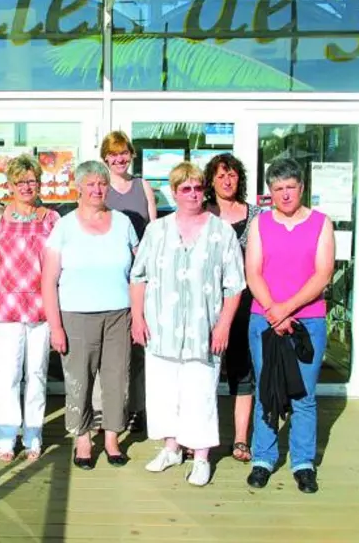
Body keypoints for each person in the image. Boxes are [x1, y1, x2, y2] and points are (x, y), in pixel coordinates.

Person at [130, 161, 245, 487]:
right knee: (164, 392)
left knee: (200, 393)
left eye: (197, 188)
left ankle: (201, 456)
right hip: (161, 328)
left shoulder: (221, 232)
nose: (193, 194)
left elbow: (234, 285)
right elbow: (138, 277)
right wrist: (137, 317)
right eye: (185, 189)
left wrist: (223, 325)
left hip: (203, 330)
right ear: (175, 192)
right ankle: (171, 448)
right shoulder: (156, 230)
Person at [245, 158, 335, 494]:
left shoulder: (321, 224)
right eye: (278, 189)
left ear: (301, 188)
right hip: (265, 320)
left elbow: (322, 273)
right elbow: (252, 271)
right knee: (267, 389)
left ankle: (303, 463)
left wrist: (287, 310)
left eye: (291, 187)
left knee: (304, 395)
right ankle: (263, 459)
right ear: (270, 192)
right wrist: (273, 311)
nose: (285, 194)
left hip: (307, 321)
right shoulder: (260, 224)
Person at [42, 160, 138, 470]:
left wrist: (139, 314)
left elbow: (139, 274)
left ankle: (111, 438)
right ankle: (82, 437)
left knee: (116, 379)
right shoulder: (64, 226)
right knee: (79, 380)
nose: (97, 189)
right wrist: (55, 326)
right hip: (76, 316)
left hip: (118, 314)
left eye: (102, 183)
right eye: (91, 184)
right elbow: (48, 279)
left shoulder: (123, 222)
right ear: (79, 187)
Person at [0, 154, 60, 462]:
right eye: (20, 182)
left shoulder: (52, 219)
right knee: (9, 374)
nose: (26, 186)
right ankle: (5, 436)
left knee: (37, 373)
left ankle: (33, 435)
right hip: (5, 307)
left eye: (31, 180)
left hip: (42, 307)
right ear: (10, 186)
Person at [204, 153, 261, 462]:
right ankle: (201, 438)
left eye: (232, 175)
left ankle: (240, 439)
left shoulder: (256, 216)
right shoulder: (203, 214)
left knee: (242, 371)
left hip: (246, 305)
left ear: (240, 179)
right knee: (204, 372)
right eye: (220, 175)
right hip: (208, 306)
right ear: (211, 180)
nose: (227, 181)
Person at [101, 130, 157, 433]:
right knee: (108, 348)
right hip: (108, 278)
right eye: (113, 154)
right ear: (105, 158)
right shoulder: (100, 189)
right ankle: (106, 410)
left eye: (124, 153)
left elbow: (154, 232)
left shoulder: (143, 186)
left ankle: (137, 407)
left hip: (140, 278)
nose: (119, 159)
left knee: (138, 345)